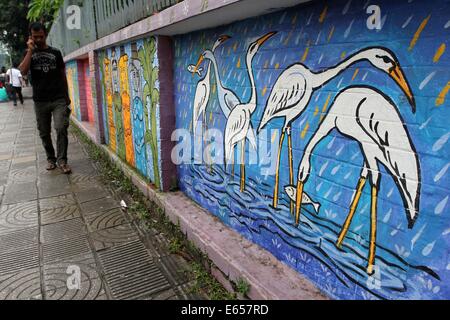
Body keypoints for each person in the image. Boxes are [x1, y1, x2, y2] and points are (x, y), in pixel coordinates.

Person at [19, 22, 72, 174]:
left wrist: (67, 97)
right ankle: (51, 158)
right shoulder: (28, 54)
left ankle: (62, 160)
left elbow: (63, 75)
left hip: (58, 99)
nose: (39, 40)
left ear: (45, 35)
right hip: (40, 101)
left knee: (61, 127)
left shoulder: (55, 53)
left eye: (41, 36)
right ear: (31, 37)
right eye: (35, 37)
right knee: (44, 132)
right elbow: (22, 71)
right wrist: (30, 51)